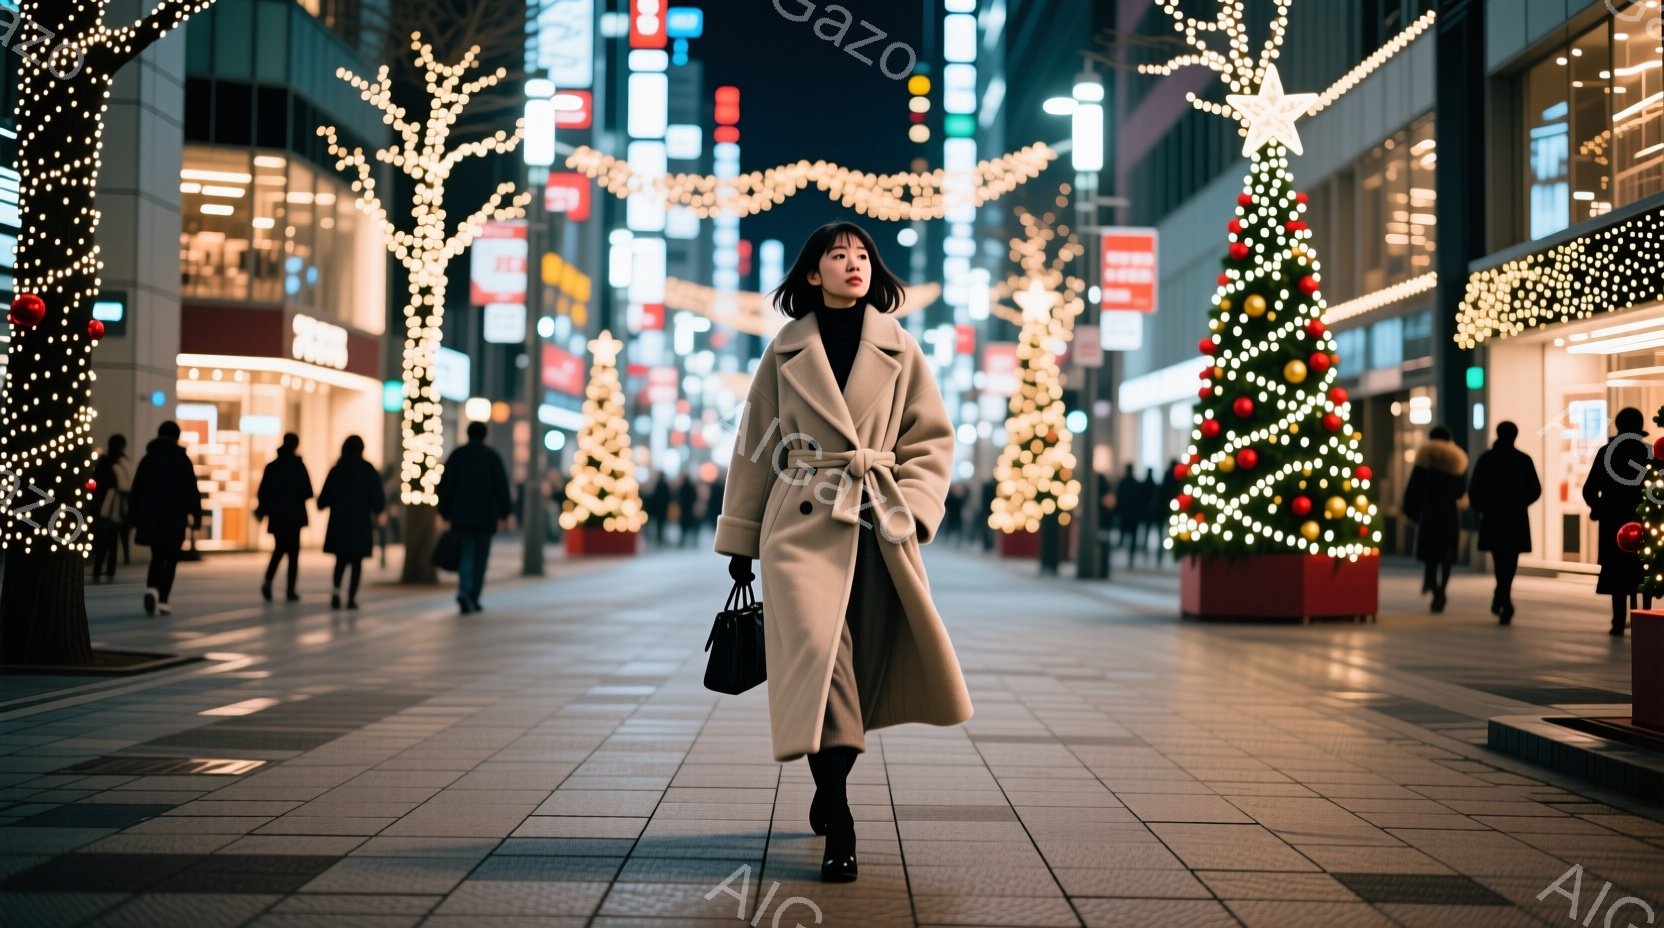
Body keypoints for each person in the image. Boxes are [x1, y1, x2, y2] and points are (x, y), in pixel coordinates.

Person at [715, 221, 970, 884]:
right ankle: (841, 815)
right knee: (821, 673)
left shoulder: (900, 347)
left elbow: (930, 440)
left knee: (852, 672)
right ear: (812, 273)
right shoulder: (786, 348)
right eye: (837, 255)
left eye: (861, 256)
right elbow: (754, 442)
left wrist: (911, 510)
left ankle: (828, 788)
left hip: (875, 524)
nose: (853, 265)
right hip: (799, 525)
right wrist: (741, 539)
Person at [1584, 407, 1651, 636]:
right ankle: (1647, 616)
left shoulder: (1607, 452)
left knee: (1617, 574)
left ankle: (1618, 621)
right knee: (1644, 571)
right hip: (1645, 521)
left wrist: (1600, 508)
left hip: (1614, 522)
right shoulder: (1648, 452)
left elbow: (1589, 489)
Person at [1467, 422, 1541, 625]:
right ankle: (1503, 596)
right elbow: (1535, 489)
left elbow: (1474, 490)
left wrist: (1484, 508)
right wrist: (1520, 503)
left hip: (1493, 518)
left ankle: (1501, 595)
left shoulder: (1487, 459)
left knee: (1499, 558)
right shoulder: (1523, 460)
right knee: (1511, 559)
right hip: (1516, 518)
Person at [436, 421, 512, 614]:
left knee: (466, 555)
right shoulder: (492, 457)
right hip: (485, 518)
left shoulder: (457, 456)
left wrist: (444, 512)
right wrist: (505, 513)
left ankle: (464, 591)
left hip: (461, 517)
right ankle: (474, 596)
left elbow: (445, 486)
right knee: (481, 558)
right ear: (485, 435)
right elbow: (501, 487)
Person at [128, 421, 202, 615]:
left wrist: (133, 517)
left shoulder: (148, 458)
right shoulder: (182, 460)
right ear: (177, 437)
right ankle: (163, 599)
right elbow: (192, 490)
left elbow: (136, 490)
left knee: (157, 556)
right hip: (175, 517)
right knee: (172, 558)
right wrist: (196, 516)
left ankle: (152, 588)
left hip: (152, 516)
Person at [1403, 425, 1469, 613]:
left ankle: (1432, 587)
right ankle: (1442, 589)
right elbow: (1461, 491)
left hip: (1429, 513)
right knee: (1446, 556)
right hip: (1449, 514)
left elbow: (1414, 488)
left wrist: (1411, 511)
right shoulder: (1457, 460)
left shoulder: (1425, 457)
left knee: (1430, 556)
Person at [316, 436, 382, 609]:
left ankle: (336, 592)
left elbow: (323, 499)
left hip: (340, 522)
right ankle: (352, 597)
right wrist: (378, 510)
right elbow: (377, 499)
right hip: (360, 522)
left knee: (341, 560)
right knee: (356, 562)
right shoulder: (367, 470)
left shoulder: (337, 469)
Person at [254, 433, 314, 603]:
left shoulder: (273, 466)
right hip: (294, 516)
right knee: (293, 554)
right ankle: (290, 589)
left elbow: (262, 492)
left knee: (279, 549)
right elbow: (307, 491)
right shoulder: (298, 466)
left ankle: (268, 581)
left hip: (277, 516)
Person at [89, 434, 131, 582]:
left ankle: (97, 570)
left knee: (103, 541)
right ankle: (109, 571)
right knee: (112, 543)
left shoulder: (104, 462)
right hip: (115, 508)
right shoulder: (122, 463)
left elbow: (95, 483)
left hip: (104, 507)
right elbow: (127, 486)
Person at [1117, 465, 1146, 567]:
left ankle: (1126, 556)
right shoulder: (1135, 483)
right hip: (1133, 514)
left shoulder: (1124, 483)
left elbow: (1119, 498)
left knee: (1125, 535)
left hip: (1127, 514)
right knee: (1132, 537)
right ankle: (1130, 557)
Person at [645, 472, 672, 546]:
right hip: (662, 509)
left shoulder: (657, 485)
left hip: (658, 509)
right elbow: (668, 497)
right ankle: (660, 537)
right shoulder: (664, 486)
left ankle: (658, 537)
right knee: (661, 524)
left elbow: (654, 497)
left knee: (658, 524)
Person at [677, 474, 702, 547]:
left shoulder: (682, 487)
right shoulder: (691, 487)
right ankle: (693, 541)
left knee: (683, 527)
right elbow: (695, 497)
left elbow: (678, 498)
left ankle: (682, 541)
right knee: (691, 525)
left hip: (683, 510)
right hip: (690, 510)